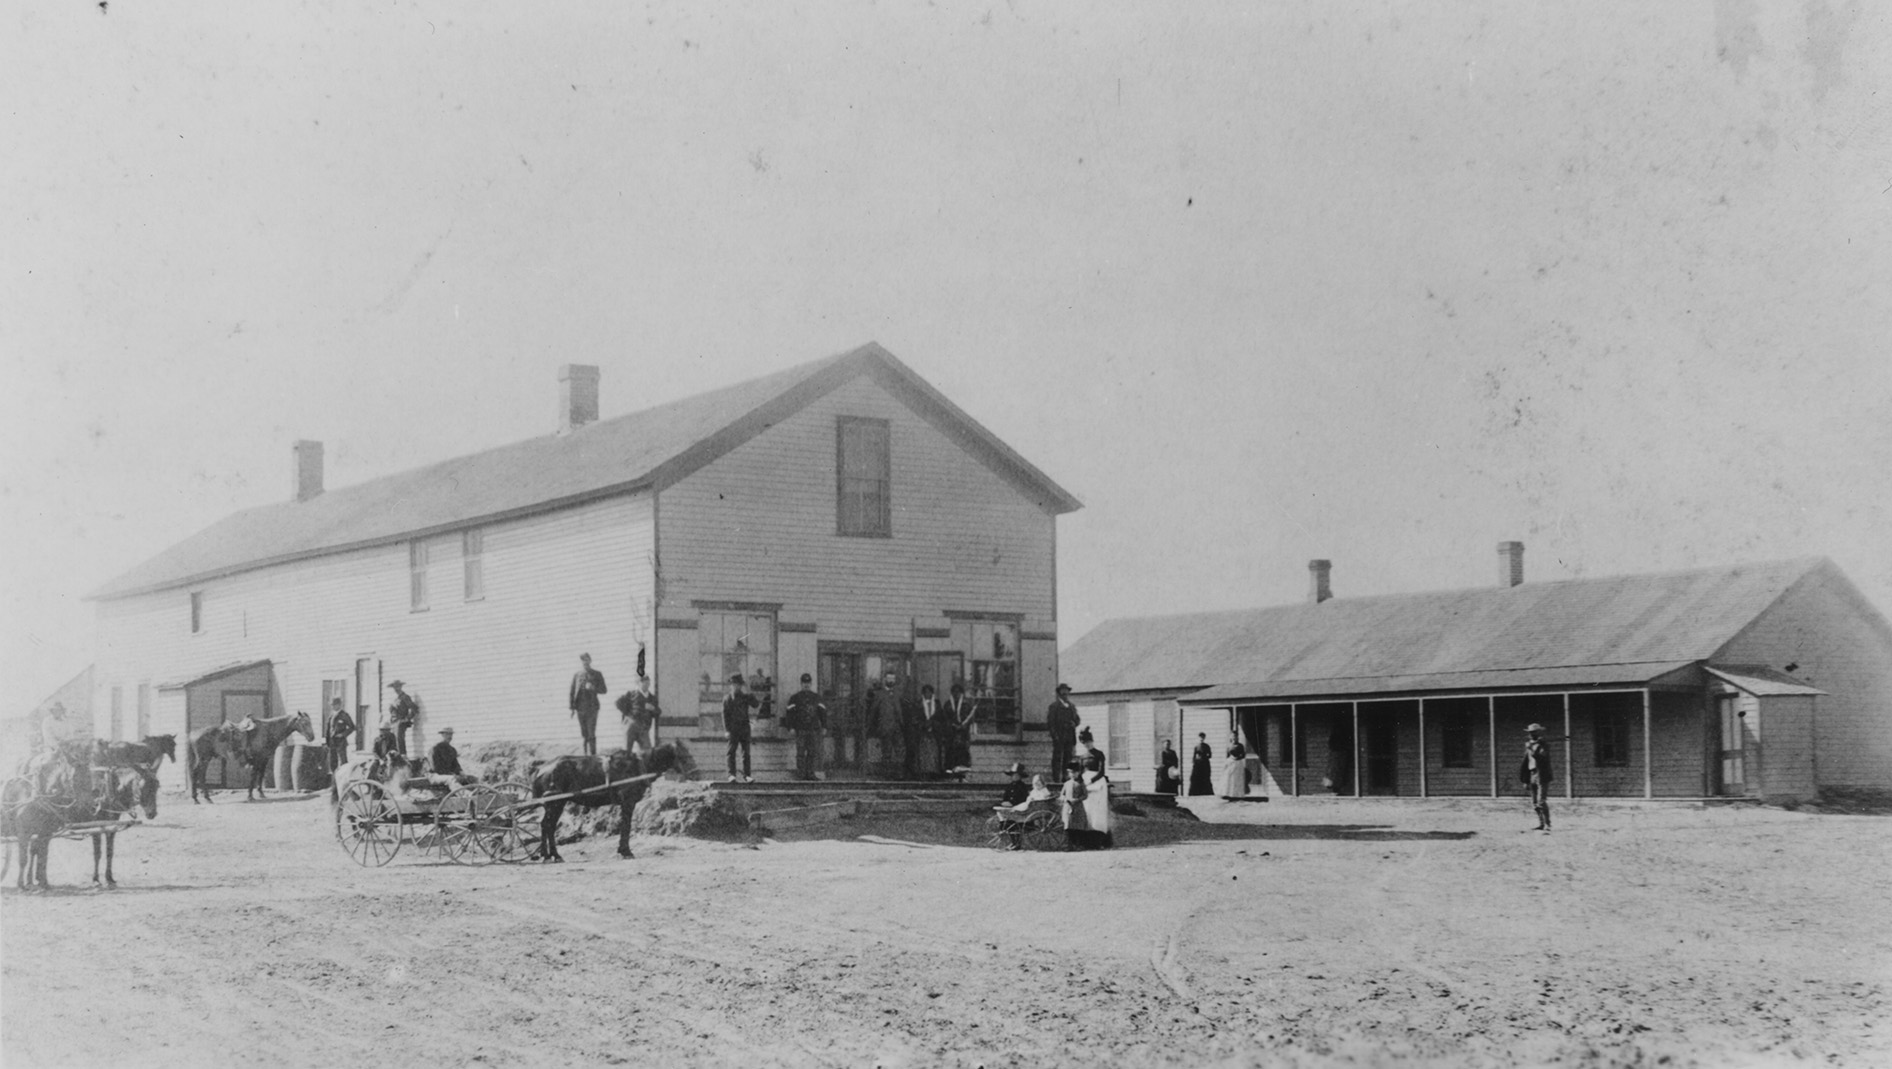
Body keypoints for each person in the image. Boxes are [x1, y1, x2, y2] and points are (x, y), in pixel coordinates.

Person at [782, 673, 827, 781]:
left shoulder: (817, 698)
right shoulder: (795, 698)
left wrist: (824, 726)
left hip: (813, 729)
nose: (806, 685)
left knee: (812, 752)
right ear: (801, 684)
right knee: (801, 752)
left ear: (811, 684)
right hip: (800, 729)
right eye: (804, 683)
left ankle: (811, 774)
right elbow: (789, 714)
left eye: (808, 683)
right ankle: (801, 774)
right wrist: (791, 727)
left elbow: (823, 713)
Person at [616, 666, 661, 757]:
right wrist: (628, 715)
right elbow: (618, 703)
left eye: (647, 682)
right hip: (631, 725)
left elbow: (658, 712)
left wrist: (652, 709)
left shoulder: (652, 698)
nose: (645, 684)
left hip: (643, 728)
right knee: (626, 752)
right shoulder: (632, 694)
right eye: (642, 681)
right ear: (638, 683)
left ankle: (643, 770)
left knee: (646, 753)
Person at [568, 653, 607, 756]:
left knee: (591, 733)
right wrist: (572, 708)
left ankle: (593, 755)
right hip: (580, 708)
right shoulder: (577, 675)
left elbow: (604, 690)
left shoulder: (597, 674)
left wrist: (593, 687)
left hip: (592, 708)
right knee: (584, 733)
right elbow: (572, 692)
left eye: (586, 660)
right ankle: (585, 755)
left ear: (590, 660)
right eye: (582, 660)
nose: (584, 662)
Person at [723, 673, 758, 783]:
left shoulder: (745, 697)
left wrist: (750, 694)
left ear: (741, 685)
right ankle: (731, 775)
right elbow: (725, 716)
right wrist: (727, 730)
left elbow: (755, 704)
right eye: (733, 684)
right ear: (730, 685)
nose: (735, 686)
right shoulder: (727, 699)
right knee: (731, 752)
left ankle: (747, 775)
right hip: (733, 730)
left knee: (746, 753)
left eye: (737, 684)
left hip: (744, 729)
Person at [1521, 722, 1557, 832]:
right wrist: (1525, 779)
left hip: (1542, 775)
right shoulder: (1529, 744)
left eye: (1534, 732)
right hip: (1532, 774)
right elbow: (1526, 762)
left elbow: (1541, 758)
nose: (1532, 734)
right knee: (1534, 803)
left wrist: (1532, 749)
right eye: (1531, 733)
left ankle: (1547, 824)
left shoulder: (1543, 745)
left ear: (1539, 732)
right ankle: (1541, 823)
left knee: (1541, 801)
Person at [1047, 683, 1080, 780]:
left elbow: (1077, 719)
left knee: (1068, 759)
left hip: (1069, 737)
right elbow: (1051, 724)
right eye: (1063, 693)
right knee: (1057, 759)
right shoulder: (1054, 706)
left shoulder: (1071, 706)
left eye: (1067, 693)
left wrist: (1074, 723)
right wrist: (1055, 737)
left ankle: (1066, 779)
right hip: (1059, 737)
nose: (1065, 695)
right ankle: (1056, 780)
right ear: (1059, 694)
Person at [943, 682, 976, 774]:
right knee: (950, 750)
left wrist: (963, 725)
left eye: (958, 692)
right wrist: (952, 725)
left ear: (961, 693)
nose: (956, 694)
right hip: (951, 732)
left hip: (963, 732)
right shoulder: (948, 704)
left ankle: (962, 771)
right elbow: (945, 717)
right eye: (954, 692)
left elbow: (970, 718)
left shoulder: (966, 704)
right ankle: (950, 769)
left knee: (963, 750)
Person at [1059, 761, 1093, 849]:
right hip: (1068, 807)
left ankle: (1078, 845)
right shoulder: (1067, 784)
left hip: (1078, 807)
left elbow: (1085, 795)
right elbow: (1062, 794)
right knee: (1068, 825)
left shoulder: (1081, 784)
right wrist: (1065, 799)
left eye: (1075, 773)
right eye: (1071, 773)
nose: (1073, 775)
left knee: (1078, 826)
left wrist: (1077, 800)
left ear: (1078, 773)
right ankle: (1069, 845)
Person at [387, 680, 419, 757]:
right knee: (392, 740)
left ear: (401, 687)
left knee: (399, 739)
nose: (396, 689)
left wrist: (407, 719)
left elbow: (414, 708)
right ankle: (395, 757)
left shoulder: (405, 697)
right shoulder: (395, 698)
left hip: (400, 721)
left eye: (397, 686)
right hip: (393, 722)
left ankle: (402, 756)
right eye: (394, 687)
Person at [324, 697, 356, 773]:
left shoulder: (344, 715)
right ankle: (334, 779)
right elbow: (328, 730)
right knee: (332, 762)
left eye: (334, 705)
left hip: (341, 742)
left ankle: (344, 777)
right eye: (331, 705)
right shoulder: (331, 716)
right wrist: (327, 742)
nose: (332, 707)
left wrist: (343, 734)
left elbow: (352, 727)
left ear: (339, 705)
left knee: (343, 761)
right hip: (332, 742)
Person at [1222, 733, 1249, 799]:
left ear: (1237, 737)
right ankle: (1229, 794)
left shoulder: (1240, 746)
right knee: (1229, 778)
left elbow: (1243, 755)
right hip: (1230, 763)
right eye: (1232, 736)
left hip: (1238, 763)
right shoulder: (1229, 746)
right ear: (1231, 738)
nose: (1234, 738)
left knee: (1237, 778)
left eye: (1235, 736)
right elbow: (1227, 755)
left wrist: (1238, 757)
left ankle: (1237, 794)